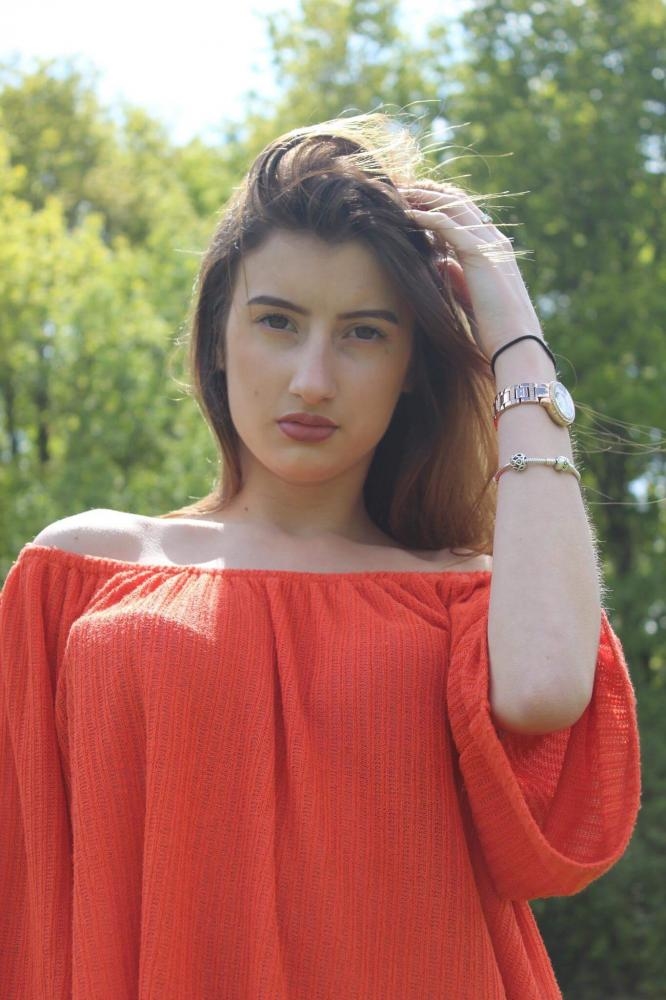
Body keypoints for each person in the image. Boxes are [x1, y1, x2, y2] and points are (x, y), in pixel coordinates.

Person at [0, 113, 641, 999]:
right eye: (277, 322)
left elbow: (545, 691)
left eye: (364, 333)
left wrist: (513, 332)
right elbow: (25, 898)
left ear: (411, 368)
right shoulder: (76, 576)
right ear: (217, 337)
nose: (312, 379)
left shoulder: (464, 597)